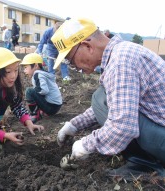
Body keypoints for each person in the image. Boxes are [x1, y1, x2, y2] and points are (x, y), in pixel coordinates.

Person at [52, 18, 165, 180]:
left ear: (87, 46)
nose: (74, 66)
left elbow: (123, 126)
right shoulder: (121, 54)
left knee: (100, 98)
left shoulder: (121, 63)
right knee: (101, 97)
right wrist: (74, 125)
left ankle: (145, 165)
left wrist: (86, 145)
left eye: (71, 60)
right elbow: (113, 102)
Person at [20, 53, 62, 123]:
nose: (24, 71)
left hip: (52, 107)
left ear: (36, 65)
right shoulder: (42, 73)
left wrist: (33, 94)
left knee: (29, 91)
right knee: (33, 92)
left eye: (26, 67)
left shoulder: (38, 74)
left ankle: (35, 114)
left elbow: (43, 90)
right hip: (56, 106)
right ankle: (41, 111)